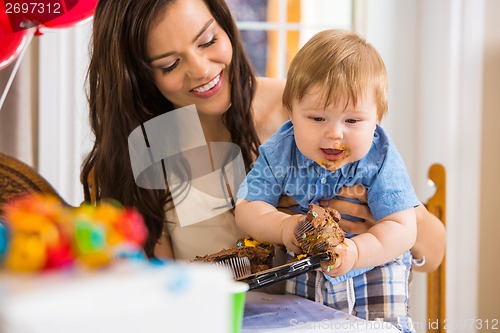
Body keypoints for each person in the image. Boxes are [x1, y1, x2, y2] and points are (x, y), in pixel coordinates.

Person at [81, 0, 445, 274]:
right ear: (139, 75)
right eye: (170, 64)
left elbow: (433, 252)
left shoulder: (308, 115)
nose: (202, 70)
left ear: (225, 26)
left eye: (208, 41)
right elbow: (158, 288)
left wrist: (375, 230)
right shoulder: (152, 146)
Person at [235, 29, 418, 331]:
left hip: (373, 277)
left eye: (352, 121)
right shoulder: (281, 151)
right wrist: (282, 226)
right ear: (291, 112)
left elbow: (402, 227)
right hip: (308, 279)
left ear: (377, 119)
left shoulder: (380, 156)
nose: (335, 133)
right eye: (318, 118)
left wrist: (357, 252)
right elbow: (247, 206)